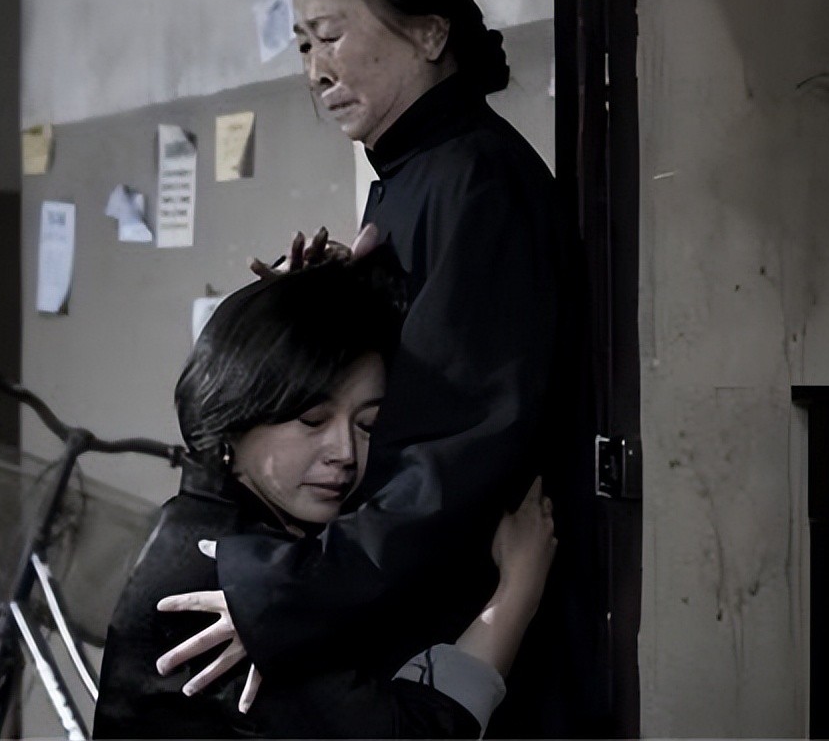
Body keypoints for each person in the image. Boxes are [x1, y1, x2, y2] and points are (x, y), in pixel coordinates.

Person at [157, 0, 605, 738]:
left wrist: (292, 593)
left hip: (477, 604)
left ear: (430, 32)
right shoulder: (417, 174)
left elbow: (452, 448)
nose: (314, 69)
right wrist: (328, 307)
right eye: (302, 45)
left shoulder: (474, 181)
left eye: (330, 35)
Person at [93, 257, 558, 739]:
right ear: (236, 415)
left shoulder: (216, 531)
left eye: (367, 425)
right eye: (313, 421)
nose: (345, 453)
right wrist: (516, 595)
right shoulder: (224, 580)